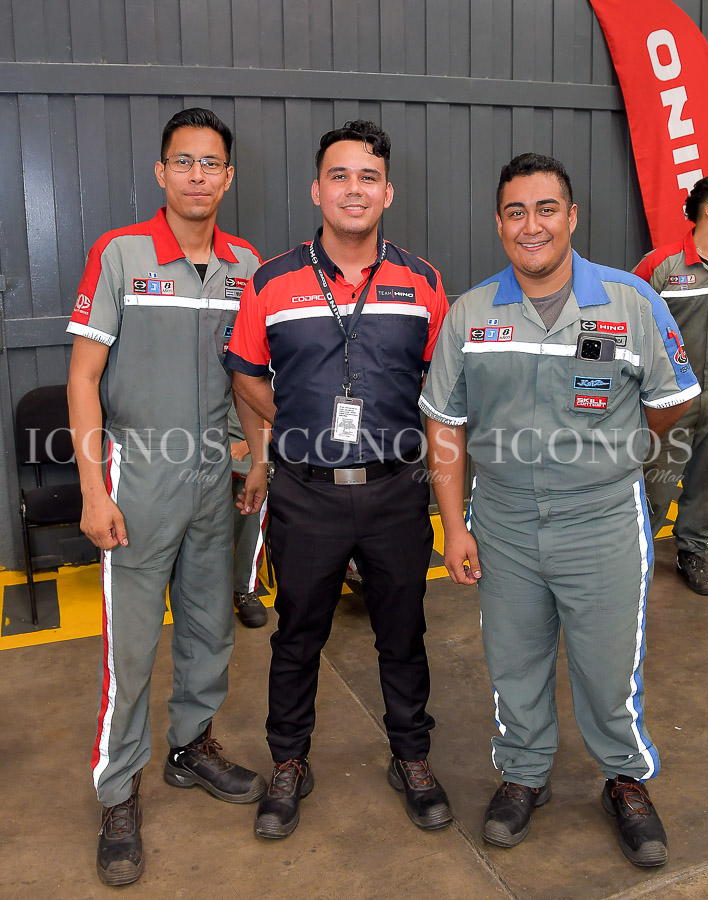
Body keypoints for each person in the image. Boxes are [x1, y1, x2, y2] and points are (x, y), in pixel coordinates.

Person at [420, 153, 700, 867]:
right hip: (504, 520)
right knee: (513, 660)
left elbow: (671, 400)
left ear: (571, 217)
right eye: (515, 212)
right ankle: (523, 773)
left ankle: (624, 778)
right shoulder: (471, 313)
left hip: (602, 519)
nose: (531, 225)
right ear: (498, 223)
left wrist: (616, 452)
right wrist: (454, 526)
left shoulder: (631, 301)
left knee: (608, 667)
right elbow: (444, 423)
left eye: (546, 209)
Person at [227, 120, 453, 839]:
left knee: (403, 633)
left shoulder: (423, 282)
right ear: (316, 189)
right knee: (297, 636)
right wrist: (297, 425)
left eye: (367, 177)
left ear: (387, 192)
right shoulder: (271, 281)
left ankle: (411, 757)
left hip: (395, 490)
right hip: (305, 493)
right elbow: (245, 371)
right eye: (339, 176)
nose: (353, 189)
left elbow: (443, 391)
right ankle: (288, 763)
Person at [67, 108, 266, 886]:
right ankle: (119, 792)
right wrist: (93, 489)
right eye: (183, 161)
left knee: (210, 628)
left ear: (228, 177)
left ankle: (190, 746)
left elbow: (248, 377)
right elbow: (84, 378)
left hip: (215, 477)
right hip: (139, 475)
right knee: (131, 647)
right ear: (161, 172)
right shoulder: (121, 255)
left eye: (210, 163)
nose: (196, 176)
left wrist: (254, 457)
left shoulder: (246, 266)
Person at [633, 174, 708, 595]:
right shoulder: (661, 265)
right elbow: (627, 326)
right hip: (671, 401)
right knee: (656, 483)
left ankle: (693, 551)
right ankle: (634, 555)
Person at [228, 403, 269, 627]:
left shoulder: (258, 381)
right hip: (200, 450)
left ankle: (245, 588)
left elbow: (274, 422)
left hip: (247, 449)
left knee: (251, 500)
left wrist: (245, 447)